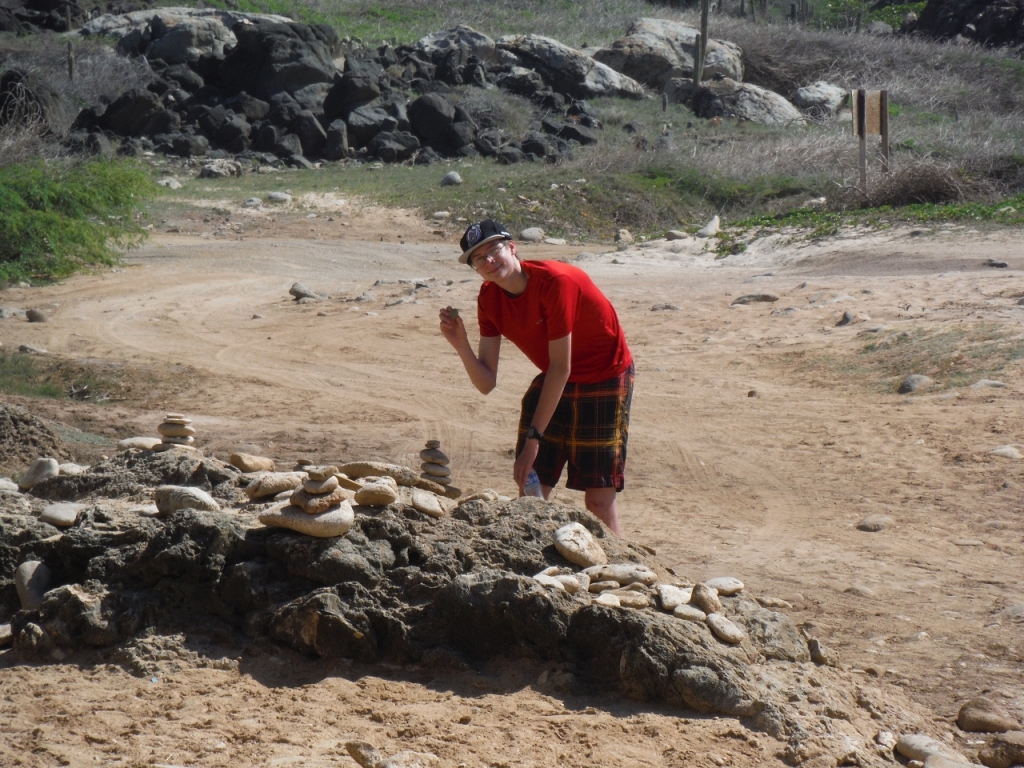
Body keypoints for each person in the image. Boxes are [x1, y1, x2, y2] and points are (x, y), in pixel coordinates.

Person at [438, 219, 634, 535]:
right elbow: (486, 383)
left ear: (512, 248)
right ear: (475, 269)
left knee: (598, 501)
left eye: (494, 250)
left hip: (605, 374)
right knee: (531, 490)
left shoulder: (555, 282)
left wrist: (533, 440)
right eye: (479, 258)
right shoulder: (489, 299)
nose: (489, 261)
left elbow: (560, 367)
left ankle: (615, 573)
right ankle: (538, 561)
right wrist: (460, 344)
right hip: (559, 377)